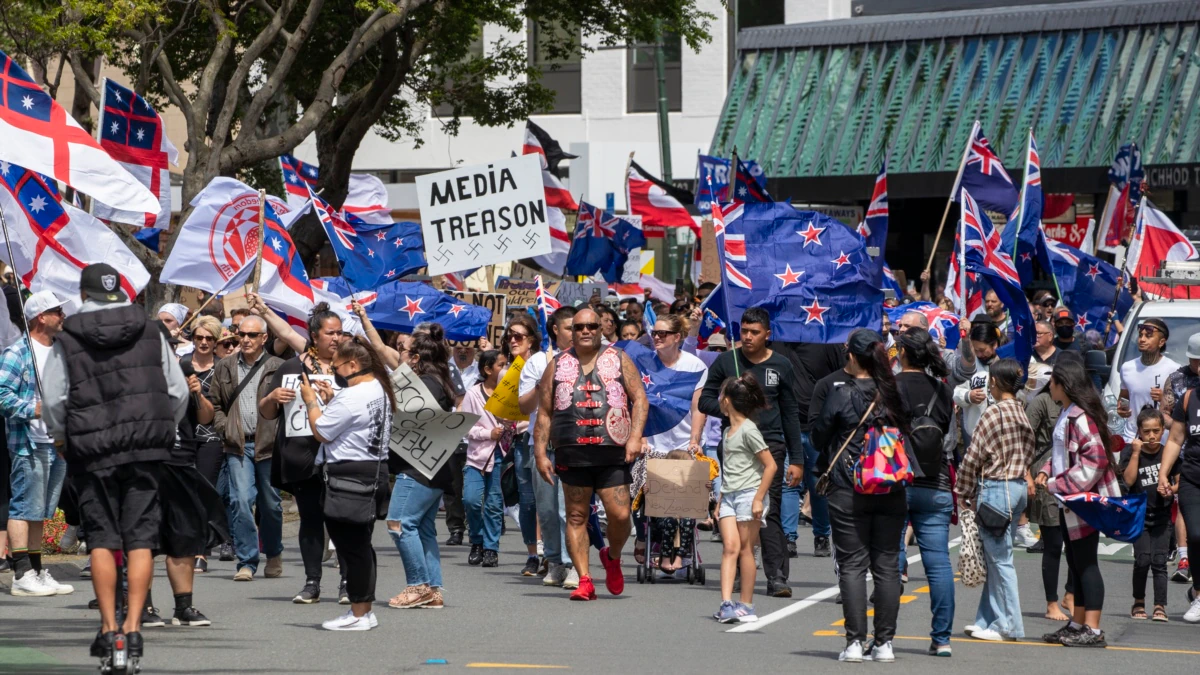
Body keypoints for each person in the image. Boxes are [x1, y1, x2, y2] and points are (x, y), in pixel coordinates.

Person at [41, 263, 189, 663]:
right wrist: (161, 428)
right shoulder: (150, 328)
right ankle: (134, 630)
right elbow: (176, 392)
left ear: (84, 293)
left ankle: (109, 630)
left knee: (103, 538)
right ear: (119, 291)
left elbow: (55, 398)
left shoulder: (68, 335)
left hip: (92, 451)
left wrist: (60, 436)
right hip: (144, 449)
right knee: (140, 538)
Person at [532, 307, 649, 601]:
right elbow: (544, 412)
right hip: (571, 451)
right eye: (579, 327)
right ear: (571, 331)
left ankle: (613, 556)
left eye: (591, 326)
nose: (585, 331)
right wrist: (539, 452)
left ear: (600, 329)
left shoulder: (619, 358)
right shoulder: (556, 365)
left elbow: (640, 399)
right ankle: (585, 579)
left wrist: (635, 437)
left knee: (620, 515)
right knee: (575, 515)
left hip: (612, 451)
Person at [811, 329, 910, 663]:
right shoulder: (894, 393)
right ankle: (884, 644)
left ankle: (855, 642)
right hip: (891, 484)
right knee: (886, 566)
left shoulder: (841, 393)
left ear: (852, 357)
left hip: (848, 485)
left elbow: (818, 436)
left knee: (852, 565)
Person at [699, 307, 804, 598]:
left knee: (768, 509)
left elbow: (790, 412)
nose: (747, 337)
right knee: (735, 508)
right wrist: (730, 405)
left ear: (767, 335)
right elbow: (704, 401)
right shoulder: (726, 361)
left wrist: (797, 458)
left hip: (770, 446)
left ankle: (777, 576)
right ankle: (737, 570)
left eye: (754, 332)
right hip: (734, 446)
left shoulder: (781, 365)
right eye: (744, 331)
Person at [300, 336, 394, 631]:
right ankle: (362, 609)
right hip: (373, 471)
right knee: (360, 546)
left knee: (352, 548)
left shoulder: (353, 396)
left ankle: (359, 611)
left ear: (353, 364)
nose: (334, 372)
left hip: (351, 476)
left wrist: (311, 401)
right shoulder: (377, 387)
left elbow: (321, 431)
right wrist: (332, 401)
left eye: (337, 366)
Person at [258, 303, 346, 604]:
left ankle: (348, 581)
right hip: (302, 456)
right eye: (330, 333)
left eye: (340, 333)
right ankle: (311, 583)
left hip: (340, 456)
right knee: (310, 518)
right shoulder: (290, 368)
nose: (336, 338)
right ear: (314, 335)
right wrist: (272, 397)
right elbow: (267, 412)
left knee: (341, 520)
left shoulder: (350, 369)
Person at [1037, 359, 1122, 646]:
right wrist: (1047, 470)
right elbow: (1063, 453)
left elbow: (1095, 460)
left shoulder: (1080, 416)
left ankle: (1093, 630)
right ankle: (1077, 624)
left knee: (1086, 564)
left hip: (1083, 501)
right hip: (1069, 500)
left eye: (1053, 382)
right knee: (1075, 563)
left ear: (1064, 385)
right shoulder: (1067, 413)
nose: (1050, 386)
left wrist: (1055, 483)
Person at [956, 358, 1035, 642]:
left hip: (995, 488)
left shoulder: (993, 412)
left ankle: (1009, 625)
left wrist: (962, 491)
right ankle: (987, 619)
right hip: (1016, 489)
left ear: (995, 382)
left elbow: (973, 456)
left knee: (1000, 561)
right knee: (996, 558)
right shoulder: (1022, 411)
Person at [0, 291, 72, 596]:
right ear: (40, 317)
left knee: (41, 510)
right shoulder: (17, 352)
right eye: (57, 311)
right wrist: (38, 408)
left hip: (56, 443)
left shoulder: (61, 352)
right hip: (29, 441)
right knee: (23, 507)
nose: (62, 316)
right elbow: (3, 396)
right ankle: (20, 573)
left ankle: (37, 570)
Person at [207, 313, 285, 581]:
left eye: (253, 335)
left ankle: (273, 553)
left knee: (271, 504)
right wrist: (224, 427)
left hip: (270, 446)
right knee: (240, 501)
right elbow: (215, 403)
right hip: (237, 445)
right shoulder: (225, 367)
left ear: (264, 337)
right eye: (242, 334)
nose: (246, 339)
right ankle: (247, 561)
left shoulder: (278, 366)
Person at [386, 326, 457, 609]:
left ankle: (418, 586)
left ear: (415, 357)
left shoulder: (425, 383)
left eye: (403, 350)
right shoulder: (436, 379)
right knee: (423, 527)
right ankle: (433, 589)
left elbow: (408, 422)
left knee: (399, 523)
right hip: (432, 467)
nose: (399, 354)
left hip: (419, 468)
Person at [895, 329, 955, 655]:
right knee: (939, 563)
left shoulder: (891, 387)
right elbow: (948, 436)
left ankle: (885, 634)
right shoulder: (943, 392)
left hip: (897, 481)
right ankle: (942, 639)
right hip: (937, 482)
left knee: (891, 557)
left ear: (903, 352)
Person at [634, 313, 708, 570]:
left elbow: (699, 407)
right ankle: (647, 539)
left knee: (684, 505)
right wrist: (641, 437)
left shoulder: (694, 366)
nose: (656, 337)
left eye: (662, 333)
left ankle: (681, 553)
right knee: (649, 501)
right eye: (654, 333)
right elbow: (638, 403)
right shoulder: (644, 363)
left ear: (677, 337)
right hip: (654, 444)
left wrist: (695, 440)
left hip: (684, 443)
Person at [519, 307, 576, 588]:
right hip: (543, 446)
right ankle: (554, 562)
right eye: (570, 328)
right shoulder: (538, 362)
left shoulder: (588, 361)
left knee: (571, 510)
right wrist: (544, 383)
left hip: (574, 446)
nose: (577, 333)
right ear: (556, 330)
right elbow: (525, 406)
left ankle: (573, 563)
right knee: (548, 510)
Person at [713, 374, 776, 624]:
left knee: (746, 549)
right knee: (730, 547)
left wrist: (759, 499)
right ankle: (726, 603)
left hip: (750, 494)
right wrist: (719, 500)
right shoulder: (728, 430)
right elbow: (729, 468)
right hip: (729, 495)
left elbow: (770, 466)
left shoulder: (749, 429)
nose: (718, 399)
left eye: (720, 395)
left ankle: (746, 604)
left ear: (727, 401)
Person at [1024, 360, 1072, 621]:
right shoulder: (1041, 403)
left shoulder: (1079, 407)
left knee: (1078, 544)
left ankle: (1070, 594)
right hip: (1047, 477)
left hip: (1075, 480)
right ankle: (1051, 602)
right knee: (1053, 544)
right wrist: (1026, 474)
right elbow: (1026, 439)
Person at [1157, 338, 1200, 623]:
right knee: (1196, 535)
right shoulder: (1190, 397)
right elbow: (1175, 438)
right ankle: (1198, 593)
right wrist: (1163, 471)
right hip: (1193, 478)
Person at [181, 316, 227, 573]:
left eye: (209, 338)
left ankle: (202, 550)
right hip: (185, 436)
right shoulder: (183, 363)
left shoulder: (222, 366)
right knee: (186, 494)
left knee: (204, 492)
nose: (204, 342)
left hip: (211, 437)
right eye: (199, 337)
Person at [1122, 408, 1177, 622]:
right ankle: (1138, 602)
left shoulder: (1168, 453)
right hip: (1139, 516)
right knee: (1142, 559)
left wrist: (1171, 489)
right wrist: (1136, 453)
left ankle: (1160, 605)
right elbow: (1128, 480)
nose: (1152, 436)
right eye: (1147, 432)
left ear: (1163, 430)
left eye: (1156, 431)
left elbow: (1179, 480)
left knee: (1160, 561)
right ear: (1139, 432)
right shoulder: (1130, 452)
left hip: (1163, 515)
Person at [460, 349, 512, 568]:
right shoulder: (473, 393)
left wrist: (510, 426)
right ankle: (477, 540)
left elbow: (520, 422)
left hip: (501, 455)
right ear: (487, 369)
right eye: (501, 365)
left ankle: (491, 548)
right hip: (477, 457)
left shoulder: (511, 392)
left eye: (506, 364)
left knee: (493, 504)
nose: (505, 369)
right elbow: (466, 427)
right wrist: (487, 434)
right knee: (471, 500)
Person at [501, 314, 543, 576]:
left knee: (547, 500)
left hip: (544, 438)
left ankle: (549, 550)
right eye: (509, 336)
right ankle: (532, 555)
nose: (512, 341)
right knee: (527, 501)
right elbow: (502, 410)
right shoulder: (507, 371)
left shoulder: (545, 363)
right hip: (520, 442)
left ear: (532, 340)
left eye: (518, 336)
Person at [1117, 318, 1179, 445]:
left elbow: (1183, 408)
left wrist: (1164, 399)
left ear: (1161, 342)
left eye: (1148, 336)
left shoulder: (1174, 369)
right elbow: (1124, 397)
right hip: (1132, 439)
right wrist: (1122, 409)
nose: (1142, 339)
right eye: (1140, 335)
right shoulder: (1127, 368)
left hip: (1161, 442)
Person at [954, 322, 1001, 448]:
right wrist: (968, 396)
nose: (979, 354)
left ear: (994, 345)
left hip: (1001, 434)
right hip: (975, 436)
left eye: (982, 350)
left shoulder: (1007, 362)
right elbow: (957, 392)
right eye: (976, 350)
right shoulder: (969, 365)